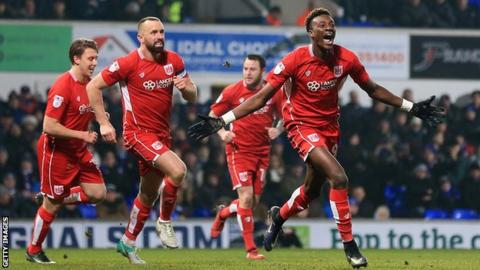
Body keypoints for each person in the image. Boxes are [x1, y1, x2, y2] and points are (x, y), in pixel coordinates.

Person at [188, 8, 445, 268]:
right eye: (322, 25)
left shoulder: (346, 59)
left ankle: (278, 217)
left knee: (311, 192)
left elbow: (373, 89)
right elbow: (261, 97)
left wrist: (411, 107)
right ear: (311, 33)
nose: (329, 28)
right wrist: (222, 120)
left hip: (330, 128)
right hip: (299, 125)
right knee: (339, 177)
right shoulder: (294, 60)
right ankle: (350, 246)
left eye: (331, 24)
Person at [86, 16, 197, 264]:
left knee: (147, 195)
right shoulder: (127, 63)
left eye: (162, 31)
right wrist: (103, 122)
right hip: (137, 134)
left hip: (160, 135)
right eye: (153, 32)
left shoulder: (174, 60)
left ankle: (127, 241)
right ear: (141, 37)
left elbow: (192, 95)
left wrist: (186, 87)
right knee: (178, 171)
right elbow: (93, 86)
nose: (159, 36)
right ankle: (165, 221)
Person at [25, 39, 106, 264]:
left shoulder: (91, 85)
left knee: (98, 193)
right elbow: (48, 126)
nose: (94, 62)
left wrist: (103, 121)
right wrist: (83, 135)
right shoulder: (62, 86)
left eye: (96, 58)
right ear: (76, 59)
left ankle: (53, 194)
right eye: (90, 58)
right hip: (56, 151)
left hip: (78, 150)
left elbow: (85, 113)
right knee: (52, 205)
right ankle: (33, 250)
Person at [208, 54, 283, 260]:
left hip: (262, 152)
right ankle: (251, 250)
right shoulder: (232, 91)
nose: (247, 73)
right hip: (238, 150)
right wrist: (223, 134)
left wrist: (278, 129)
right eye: (245, 69)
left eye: (252, 69)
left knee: (251, 204)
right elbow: (212, 116)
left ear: (262, 72)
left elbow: (285, 115)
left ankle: (223, 214)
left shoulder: (272, 92)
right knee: (246, 198)